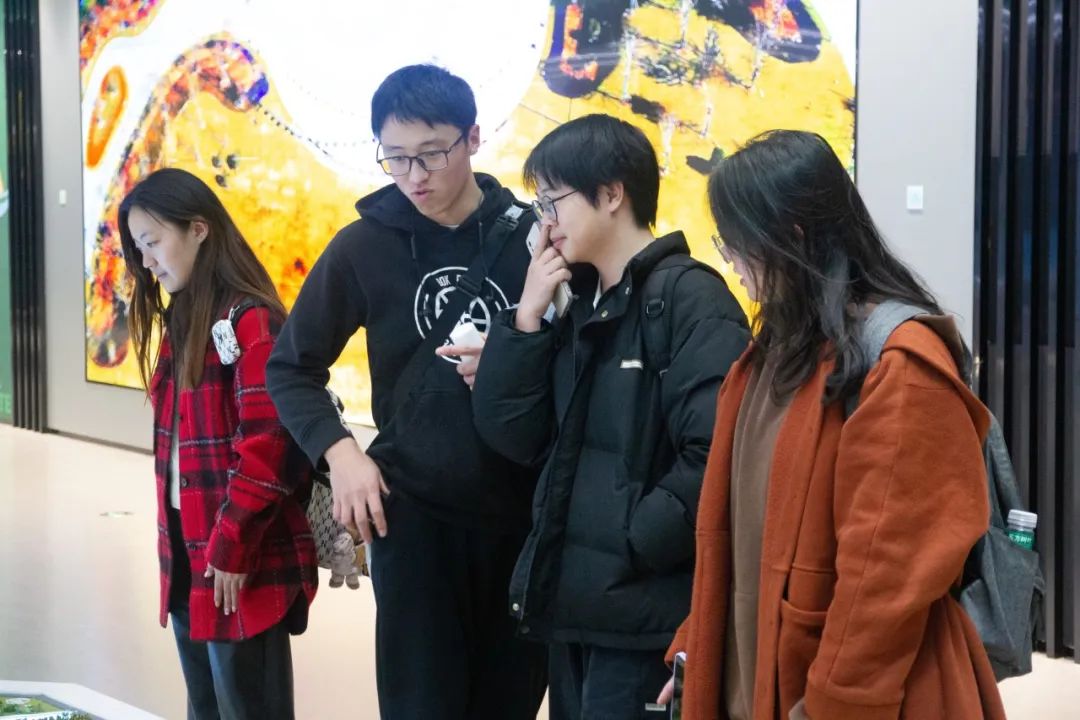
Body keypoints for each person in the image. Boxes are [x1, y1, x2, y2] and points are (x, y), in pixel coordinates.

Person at [659, 129, 1006, 719]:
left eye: (735, 242)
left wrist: (831, 707)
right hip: (761, 678)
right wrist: (700, 643)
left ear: (791, 237)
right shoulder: (773, 352)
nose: (730, 261)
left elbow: (887, 585)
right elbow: (739, 537)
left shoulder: (902, 365)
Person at [265, 64, 547, 719]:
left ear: (473, 138)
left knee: (508, 702)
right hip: (412, 517)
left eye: (431, 153)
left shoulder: (533, 238)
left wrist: (512, 363)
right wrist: (341, 454)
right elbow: (291, 367)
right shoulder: (363, 247)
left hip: (520, 516)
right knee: (420, 704)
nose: (414, 176)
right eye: (395, 157)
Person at [466, 113, 751, 719]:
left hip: (645, 618)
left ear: (613, 193)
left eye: (554, 201)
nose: (545, 222)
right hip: (575, 610)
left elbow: (719, 454)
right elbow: (515, 436)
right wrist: (527, 318)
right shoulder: (582, 302)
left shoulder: (690, 297)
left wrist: (635, 542)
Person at [118, 167, 318, 720]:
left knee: (247, 707)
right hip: (189, 549)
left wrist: (231, 546)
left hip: (239, 554)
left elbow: (268, 446)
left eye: (153, 242)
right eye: (139, 249)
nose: (147, 261)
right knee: (206, 707)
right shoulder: (183, 315)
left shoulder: (252, 318)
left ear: (199, 229)